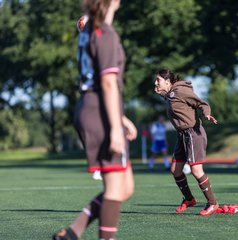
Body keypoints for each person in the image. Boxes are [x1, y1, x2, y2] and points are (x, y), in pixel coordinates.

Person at [53, 1, 137, 239]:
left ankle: (72, 233)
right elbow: (108, 83)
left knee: (125, 187)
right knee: (114, 188)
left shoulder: (92, 31)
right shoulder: (105, 33)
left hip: (93, 107)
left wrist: (121, 118)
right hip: (99, 113)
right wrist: (114, 129)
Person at [154, 68, 219, 216]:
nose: (155, 82)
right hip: (182, 135)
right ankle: (189, 199)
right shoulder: (171, 94)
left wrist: (207, 114)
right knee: (175, 170)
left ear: (167, 81)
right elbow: (175, 102)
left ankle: (213, 203)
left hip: (193, 134)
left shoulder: (181, 91)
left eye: (158, 80)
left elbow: (202, 103)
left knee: (196, 170)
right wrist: (163, 94)